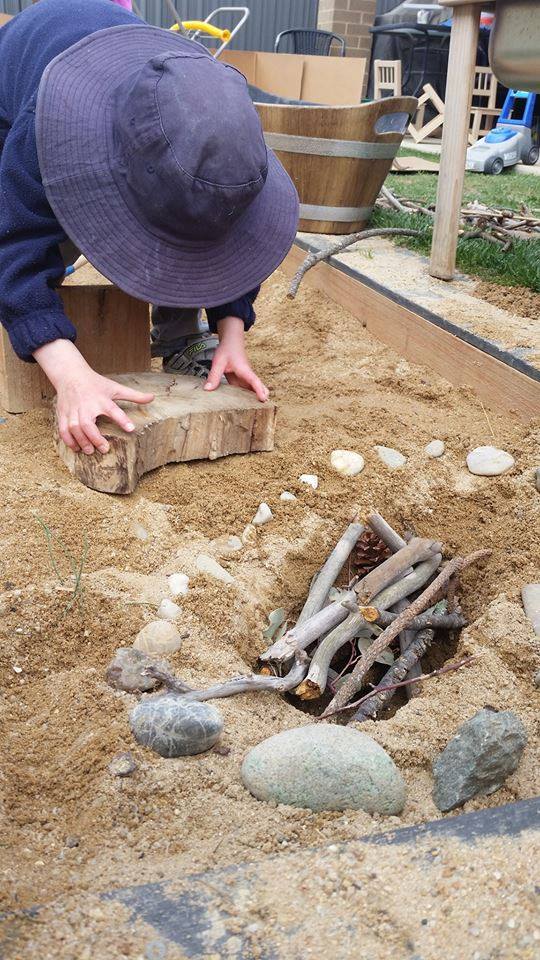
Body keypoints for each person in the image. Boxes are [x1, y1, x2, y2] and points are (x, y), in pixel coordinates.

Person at [0, 0, 298, 456]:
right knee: (46, 239)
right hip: (20, 79)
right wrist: (68, 373)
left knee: (181, 210)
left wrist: (231, 333)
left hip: (119, 67)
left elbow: (232, 233)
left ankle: (179, 335)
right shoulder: (45, 123)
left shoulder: (214, 119)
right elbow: (14, 242)